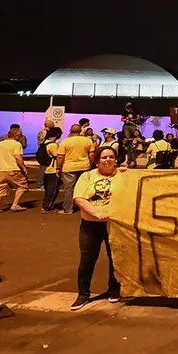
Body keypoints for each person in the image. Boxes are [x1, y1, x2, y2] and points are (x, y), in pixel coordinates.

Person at [71, 146, 124, 310]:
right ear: (97, 160)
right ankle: (83, 294)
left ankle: (114, 290)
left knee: (115, 258)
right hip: (90, 224)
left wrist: (130, 173)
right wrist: (95, 213)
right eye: (104, 157)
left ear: (116, 159)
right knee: (87, 259)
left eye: (111, 157)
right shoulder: (87, 176)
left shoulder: (123, 176)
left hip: (114, 224)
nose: (108, 160)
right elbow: (79, 198)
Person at [56, 124, 95, 215]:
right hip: (85, 166)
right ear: (80, 131)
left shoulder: (65, 142)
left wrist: (58, 167)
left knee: (69, 189)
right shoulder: (88, 140)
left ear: (70, 131)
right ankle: (86, 209)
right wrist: (91, 164)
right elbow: (92, 154)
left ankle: (68, 209)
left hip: (69, 167)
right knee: (85, 189)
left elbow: (60, 157)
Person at [0, 127, 28, 213]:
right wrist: (24, 167)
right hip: (13, 169)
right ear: (17, 136)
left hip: (1, 170)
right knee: (22, 186)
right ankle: (15, 204)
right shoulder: (17, 144)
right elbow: (18, 157)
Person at [40, 127, 64, 212]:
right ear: (57, 134)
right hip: (53, 169)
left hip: (47, 169)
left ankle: (46, 205)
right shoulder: (53, 145)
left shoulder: (45, 143)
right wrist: (59, 168)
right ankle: (47, 206)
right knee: (53, 189)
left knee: (48, 189)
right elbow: (58, 157)